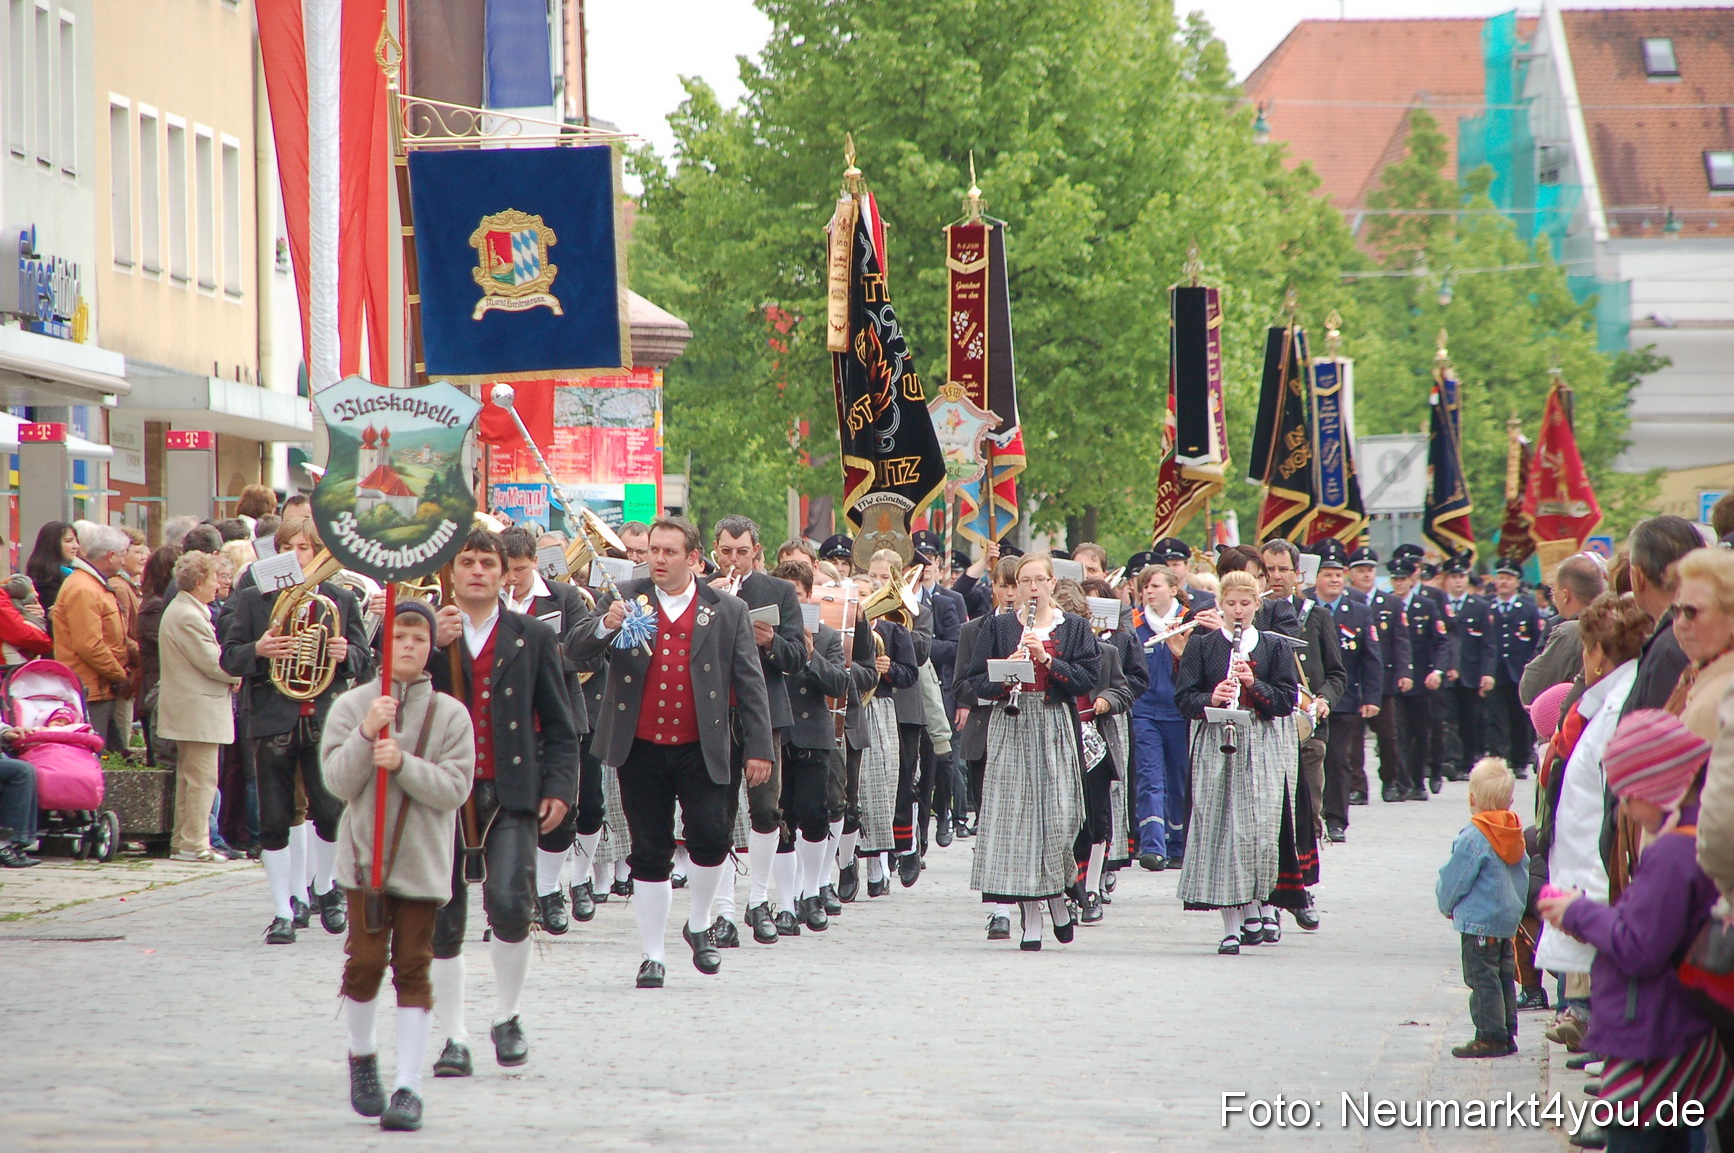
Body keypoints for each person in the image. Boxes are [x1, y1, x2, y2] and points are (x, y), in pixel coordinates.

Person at [575, 517, 773, 988]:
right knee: (650, 851)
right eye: (653, 551)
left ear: (693, 559)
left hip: (702, 746)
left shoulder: (726, 609)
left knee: (710, 840)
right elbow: (576, 652)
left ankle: (699, 922)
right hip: (639, 747)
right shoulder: (622, 597)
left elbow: (750, 682)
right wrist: (605, 624)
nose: (657, 559)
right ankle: (653, 953)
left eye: (668, 552)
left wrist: (760, 747)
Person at [1540, 710, 1734, 1150]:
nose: (1623, 808)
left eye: (1629, 795)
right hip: (1674, 1031)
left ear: (1659, 787)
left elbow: (1639, 944)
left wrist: (1578, 913)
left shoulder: (1670, 854)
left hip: (1653, 1037)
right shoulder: (1690, 839)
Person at [425, 527, 577, 1071]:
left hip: (511, 790)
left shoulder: (530, 635)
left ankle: (507, 1015)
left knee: (512, 905)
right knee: (442, 916)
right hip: (439, 793)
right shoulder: (420, 630)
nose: (477, 572)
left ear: (504, 571)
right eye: (466, 562)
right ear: (451, 571)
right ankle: (454, 1036)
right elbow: (386, 698)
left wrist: (560, 785)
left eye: (487, 562)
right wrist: (426, 649)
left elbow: (561, 722)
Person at [324, 600, 475, 1133]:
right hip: (366, 860)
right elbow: (338, 783)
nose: (408, 646)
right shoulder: (352, 705)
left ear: (431, 645)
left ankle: (409, 1085)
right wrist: (367, 735)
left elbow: (456, 787)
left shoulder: (452, 715)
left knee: (414, 965)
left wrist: (405, 764)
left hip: (422, 861)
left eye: (418, 637)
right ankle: (362, 1055)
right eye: (398, 637)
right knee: (364, 964)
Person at [219, 518, 371, 944]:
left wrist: (347, 654)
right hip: (271, 717)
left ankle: (325, 888)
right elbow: (228, 658)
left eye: (307, 548)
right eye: (291, 547)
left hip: (324, 717)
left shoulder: (340, 599)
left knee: (330, 811)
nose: (298, 555)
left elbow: (365, 658)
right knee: (274, 818)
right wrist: (259, 649)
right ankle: (283, 909)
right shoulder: (253, 601)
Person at [1533, 592, 1652, 1050]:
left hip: (1601, 874)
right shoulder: (1604, 700)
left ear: (1599, 653)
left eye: (1586, 648)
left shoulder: (1617, 702)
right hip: (1588, 870)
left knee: (1607, 975)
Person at [965, 552, 1099, 950]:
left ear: (1053, 584)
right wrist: (1007, 669)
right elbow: (977, 682)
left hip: (1054, 724)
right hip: (1012, 725)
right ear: (1017, 586)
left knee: (1060, 819)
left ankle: (1058, 897)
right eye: (1026, 581)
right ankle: (1032, 920)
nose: (1033, 587)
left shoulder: (1073, 627)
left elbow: (1085, 679)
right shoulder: (1001, 626)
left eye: (1040, 580)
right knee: (1018, 824)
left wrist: (1047, 660)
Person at [1172, 569, 1299, 955]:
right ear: (1220, 605)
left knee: (1256, 832)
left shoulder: (1274, 646)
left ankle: (1256, 906)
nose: (1238, 611)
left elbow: (1284, 701)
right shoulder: (1204, 645)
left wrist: (1251, 685)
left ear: (1258, 605)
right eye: (1231, 604)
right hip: (1216, 742)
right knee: (1221, 830)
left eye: (1246, 604)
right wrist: (1212, 698)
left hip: (1260, 743)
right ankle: (1230, 924)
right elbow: (1184, 700)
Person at [496, 526, 597, 937]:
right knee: (509, 810)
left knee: (564, 810)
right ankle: (520, 897)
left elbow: (584, 650)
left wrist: (540, 651)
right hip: (504, 717)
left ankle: (550, 889)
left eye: (520, 569)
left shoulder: (565, 597)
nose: (513, 579)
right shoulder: (490, 597)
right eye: (508, 570)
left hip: (555, 714)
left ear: (535, 562)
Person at [708, 515, 805, 944]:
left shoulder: (779, 590)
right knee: (718, 815)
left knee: (766, 811)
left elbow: (800, 657)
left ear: (756, 551)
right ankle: (724, 909)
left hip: (763, 714)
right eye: (726, 551)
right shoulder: (702, 589)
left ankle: (759, 900)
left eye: (742, 552)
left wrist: (771, 642)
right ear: (715, 550)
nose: (733, 560)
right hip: (714, 715)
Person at [768, 559, 853, 932]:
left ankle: (811, 891)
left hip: (813, 734)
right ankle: (785, 902)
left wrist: (809, 653)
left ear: (807, 597)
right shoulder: (761, 633)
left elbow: (839, 684)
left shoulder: (827, 635)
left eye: (797, 597)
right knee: (779, 819)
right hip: (775, 732)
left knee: (815, 816)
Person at [1436, 758, 1528, 1058]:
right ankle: (1506, 1030)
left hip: (1478, 922)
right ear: (1510, 800)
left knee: (1481, 976)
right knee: (1503, 974)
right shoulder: (1515, 833)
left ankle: (1490, 1035)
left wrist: (1446, 903)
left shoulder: (1474, 836)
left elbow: (1456, 878)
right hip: (1506, 921)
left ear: (1472, 798)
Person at [157, 551, 243, 863]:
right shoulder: (189, 615)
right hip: (197, 711)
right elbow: (214, 662)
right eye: (212, 579)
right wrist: (239, 671)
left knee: (191, 779)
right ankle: (196, 844)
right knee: (202, 781)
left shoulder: (186, 610)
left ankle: (184, 840)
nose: (218, 585)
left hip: (191, 710)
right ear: (198, 582)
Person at [954, 554, 1018, 937]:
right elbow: (960, 684)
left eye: (1017, 586)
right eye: (1003, 585)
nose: (1010, 594)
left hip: (1026, 732)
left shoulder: (1039, 630)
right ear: (992, 587)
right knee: (991, 822)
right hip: (986, 732)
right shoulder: (974, 630)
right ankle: (999, 908)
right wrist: (995, 683)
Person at [1310, 541, 1382, 841]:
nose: (1335, 579)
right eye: (1328, 573)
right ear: (1315, 577)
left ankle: (1337, 818)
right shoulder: (1305, 609)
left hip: (1345, 698)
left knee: (1339, 759)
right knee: (1310, 759)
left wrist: (1371, 698)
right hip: (1310, 697)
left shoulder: (1359, 612)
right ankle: (1310, 818)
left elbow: (1371, 657)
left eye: (1339, 573)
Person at [1129, 565, 1191, 871]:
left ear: (1173, 589)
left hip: (1179, 713)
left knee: (1178, 780)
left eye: (1154, 586)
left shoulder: (1191, 622)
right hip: (1144, 713)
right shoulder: (1135, 624)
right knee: (1150, 778)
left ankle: (1178, 844)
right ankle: (1153, 846)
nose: (1148, 592)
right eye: (1145, 587)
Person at [50, 525, 131, 751]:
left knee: (113, 755)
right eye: (123, 555)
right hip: (91, 689)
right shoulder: (85, 589)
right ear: (110, 556)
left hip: (100, 686)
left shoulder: (93, 585)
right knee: (93, 755)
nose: (124, 562)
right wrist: (119, 674)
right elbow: (89, 645)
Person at [1389, 554, 1449, 798]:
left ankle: (1419, 779)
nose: (1399, 583)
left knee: (1422, 732)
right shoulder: (1388, 605)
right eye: (1395, 579)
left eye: (1403, 578)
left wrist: (1438, 670)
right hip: (1395, 680)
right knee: (1398, 734)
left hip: (1423, 680)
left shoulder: (1426, 606)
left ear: (1411, 580)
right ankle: (1402, 782)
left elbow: (1441, 641)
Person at [1477, 560, 1542, 781]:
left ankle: (1520, 760)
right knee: (1495, 718)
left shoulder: (1527, 608)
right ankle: (1498, 760)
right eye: (1501, 577)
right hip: (1494, 671)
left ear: (1516, 582)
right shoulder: (1486, 606)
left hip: (1519, 670)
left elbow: (1537, 640)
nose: (1503, 582)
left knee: (1519, 718)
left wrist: (1533, 667)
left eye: (1508, 578)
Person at [1519, 554, 1605, 706]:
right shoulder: (1615, 623)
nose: (1553, 597)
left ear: (1565, 595)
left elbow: (1531, 690)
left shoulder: (1570, 632)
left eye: (1554, 590)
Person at [1671, 547, 1734, 743]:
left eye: (1691, 611)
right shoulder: (1701, 676)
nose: (1680, 623)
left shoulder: (1717, 701)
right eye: (1676, 610)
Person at [1438, 553, 1488, 781]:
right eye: (1454, 576)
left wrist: (1487, 673)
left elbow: (1489, 643)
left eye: (1462, 576)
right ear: (1446, 579)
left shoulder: (1479, 606)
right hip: (1446, 673)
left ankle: (1469, 760)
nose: (1458, 581)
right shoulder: (1438, 604)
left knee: (1470, 720)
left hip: (1471, 672)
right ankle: (1451, 760)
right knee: (1447, 718)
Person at [25, 520, 78, 613]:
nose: (76, 546)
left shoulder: (73, 572)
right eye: (69, 541)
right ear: (52, 544)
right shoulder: (46, 577)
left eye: (76, 541)